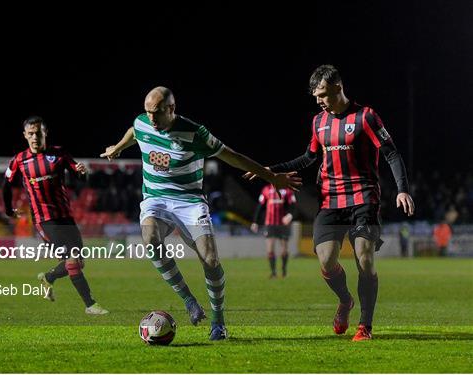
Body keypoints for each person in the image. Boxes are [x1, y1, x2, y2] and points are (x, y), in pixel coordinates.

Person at [100, 86, 302, 340]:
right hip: (156, 199)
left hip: (189, 201)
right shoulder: (143, 123)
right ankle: (188, 300)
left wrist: (271, 177)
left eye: (157, 112)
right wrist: (118, 147)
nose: (151, 118)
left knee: (210, 259)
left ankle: (218, 322)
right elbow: (134, 132)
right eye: (148, 112)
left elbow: (233, 157)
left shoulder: (195, 133)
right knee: (150, 238)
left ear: (171, 109)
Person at [244, 65, 415, 341]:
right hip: (331, 199)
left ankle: (365, 326)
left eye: (322, 94)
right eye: (316, 97)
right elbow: (309, 157)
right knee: (325, 260)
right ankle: (345, 300)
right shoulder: (318, 122)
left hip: (363, 197)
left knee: (365, 258)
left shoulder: (366, 117)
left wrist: (402, 190)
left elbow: (391, 154)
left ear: (338, 87)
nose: (319, 101)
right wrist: (270, 171)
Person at [3, 116, 108, 315]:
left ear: (45, 133)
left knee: (78, 261)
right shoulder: (19, 160)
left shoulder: (59, 154)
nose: (35, 137)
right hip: (44, 219)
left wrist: (82, 172)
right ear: (25, 135)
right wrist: (9, 209)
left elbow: (79, 175)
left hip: (65, 217)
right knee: (72, 259)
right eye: (31, 133)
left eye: (38, 133)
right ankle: (90, 305)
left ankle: (49, 277)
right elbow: (6, 185)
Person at [250, 184, 297, 278]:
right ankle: (273, 272)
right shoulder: (266, 189)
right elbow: (260, 206)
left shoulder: (287, 190)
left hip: (282, 224)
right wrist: (255, 221)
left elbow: (294, 206)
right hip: (269, 224)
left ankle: (284, 270)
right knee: (270, 250)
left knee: (284, 250)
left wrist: (290, 215)